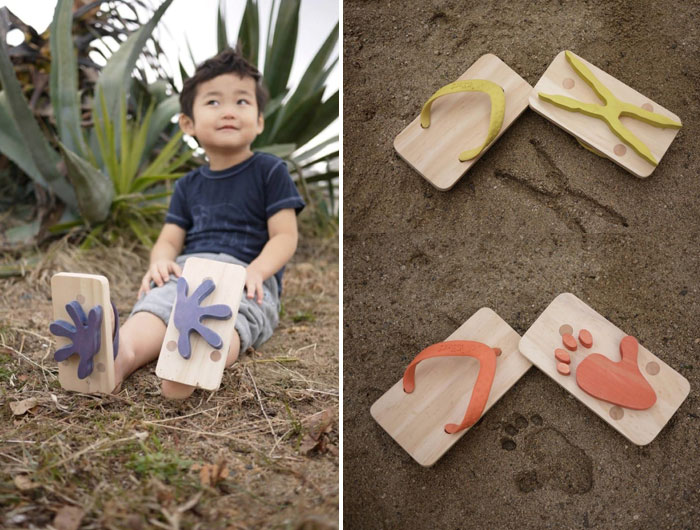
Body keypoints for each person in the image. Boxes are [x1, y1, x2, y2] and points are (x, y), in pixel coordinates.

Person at [113, 47, 304, 399]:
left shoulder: (270, 171)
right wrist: (160, 263)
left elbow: (284, 236)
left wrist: (258, 271)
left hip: (246, 276)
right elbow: (170, 239)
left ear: (260, 121)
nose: (229, 111)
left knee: (235, 318)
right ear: (188, 123)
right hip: (191, 271)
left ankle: (195, 365)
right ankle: (119, 355)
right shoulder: (188, 185)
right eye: (213, 102)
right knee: (159, 304)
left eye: (242, 102)